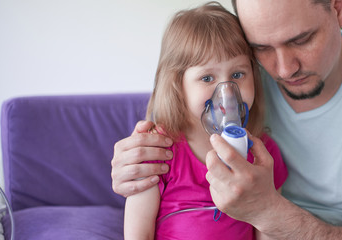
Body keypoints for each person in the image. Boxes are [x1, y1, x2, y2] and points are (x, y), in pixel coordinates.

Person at [112, 0, 342, 239]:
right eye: (261, 48)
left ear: (339, 7)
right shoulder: (228, 67)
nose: (283, 69)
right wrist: (131, 164)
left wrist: (268, 211)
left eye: (301, 39)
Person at [121, 2, 288, 240]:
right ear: (178, 86)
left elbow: (269, 231)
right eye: (207, 77)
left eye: (238, 74)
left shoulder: (264, 155)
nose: (227, 92)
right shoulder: (158, 151)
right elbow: (138, 235)